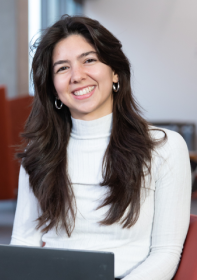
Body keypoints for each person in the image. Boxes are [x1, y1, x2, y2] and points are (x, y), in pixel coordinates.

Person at [10, 15, 191, 280]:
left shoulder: (163, 148)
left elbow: (165, 254)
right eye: (62, 68)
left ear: (115, 71)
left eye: (89, 60)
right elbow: (23, 244)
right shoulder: (39, 154)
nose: (77, 76)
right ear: (53, 89)